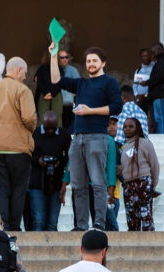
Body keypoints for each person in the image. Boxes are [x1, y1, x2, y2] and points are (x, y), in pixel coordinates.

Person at [50, 44, 123, 230]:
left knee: (98, 182)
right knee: (78, 185)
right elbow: (56, 79)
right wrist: (53, 55)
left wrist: (91, 111)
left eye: (94, 61)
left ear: (103, 63)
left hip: (98, 136)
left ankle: (99, 223)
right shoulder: (81, 83)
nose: (91, 64)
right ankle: (81, 225)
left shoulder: (109, 83)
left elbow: (116, 107)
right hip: (78, 137)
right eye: (88, 61)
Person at [0, 57, 37, 231]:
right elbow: (29, 118)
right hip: (18, 148)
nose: (25, 77)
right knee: (18, 189)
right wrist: (30, 128)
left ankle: (1, 226)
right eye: (25, 73)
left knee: (0, 189)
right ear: (18, 71)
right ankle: (14, 227)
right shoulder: (22, 90)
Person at [29, 111, 70, 231]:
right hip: (37, 182)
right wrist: (39, 160)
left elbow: (70, 158)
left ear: (57, 124)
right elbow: (27, 155)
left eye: (53, 128)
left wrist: (59, 162)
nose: (50, 131)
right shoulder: (35, 134)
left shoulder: (64, 135)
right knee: (39, 221)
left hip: (56, 183)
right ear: (43, 123)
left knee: (52, 223)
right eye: (48, 128)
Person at [119, 117, 159, 231]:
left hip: (143, 183)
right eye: (125, 126)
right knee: (131, 219)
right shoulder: (124, 146)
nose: (127, 129)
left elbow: (155, 165)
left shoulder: (145, 143)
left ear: (137, 128)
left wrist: (153, 185)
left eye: (131, 126)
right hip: (128, 186)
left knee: (145, 216)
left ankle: (149, 246)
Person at [143, 42, 164, 134]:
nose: (152, 55)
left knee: (161, 118)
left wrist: (147, 82)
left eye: (153, 52)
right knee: (159, 118)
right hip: (159, 94)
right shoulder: (162, 60)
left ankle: (163, 136)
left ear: (160, 50)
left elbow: (158, 76)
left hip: (161, 94)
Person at [34, 52, 64, 121]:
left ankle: (42, 131)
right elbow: (61, 82)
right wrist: (53, 93)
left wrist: (45, 93)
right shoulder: (59, 68)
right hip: (56, 94)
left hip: (44, 95)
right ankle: (57, 131)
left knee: (42, 117)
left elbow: (39, 82)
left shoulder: (41, 68)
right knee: (57, 117)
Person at [57, 50, 81, 131]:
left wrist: (71, 95)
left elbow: (79, 87)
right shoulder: (54, 70)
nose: (65, 59)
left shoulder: (73, 70)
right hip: (56, 104)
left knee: (68, 128)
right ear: (57, 59)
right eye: (62, 57)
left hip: (69, 105)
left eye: (66, 57)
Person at [132, 48, 154, 114]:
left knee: (152, 119)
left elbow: (155, 83)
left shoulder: (154, 67)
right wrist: (136, 95)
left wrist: (145, 95)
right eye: (143, 56)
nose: (145, 58)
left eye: (147, 55)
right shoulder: (138, 70)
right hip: (140, 100)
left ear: (150, 56)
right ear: (141, 57)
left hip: (150, 99)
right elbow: (135, 85)